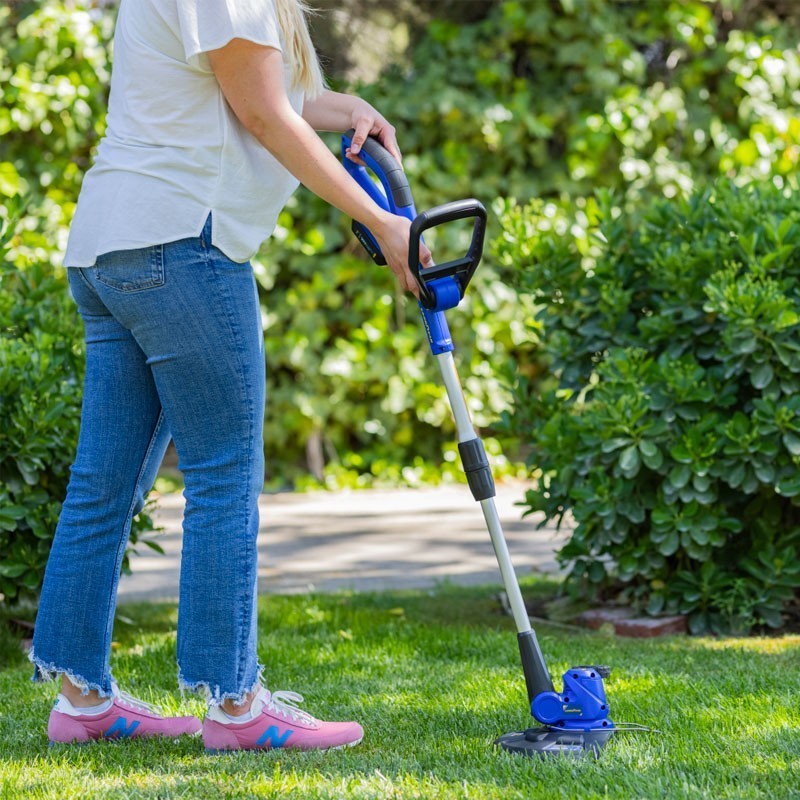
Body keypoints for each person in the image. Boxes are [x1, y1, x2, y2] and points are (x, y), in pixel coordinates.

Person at [29, 0, 432, 752]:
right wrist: (383, 223)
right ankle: (237, 705)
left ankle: (81, 699)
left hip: (112, 246)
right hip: (184, 241)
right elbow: (265, 117)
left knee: (104, 484)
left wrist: (351, 107)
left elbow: (254, 86)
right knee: (223, 475)